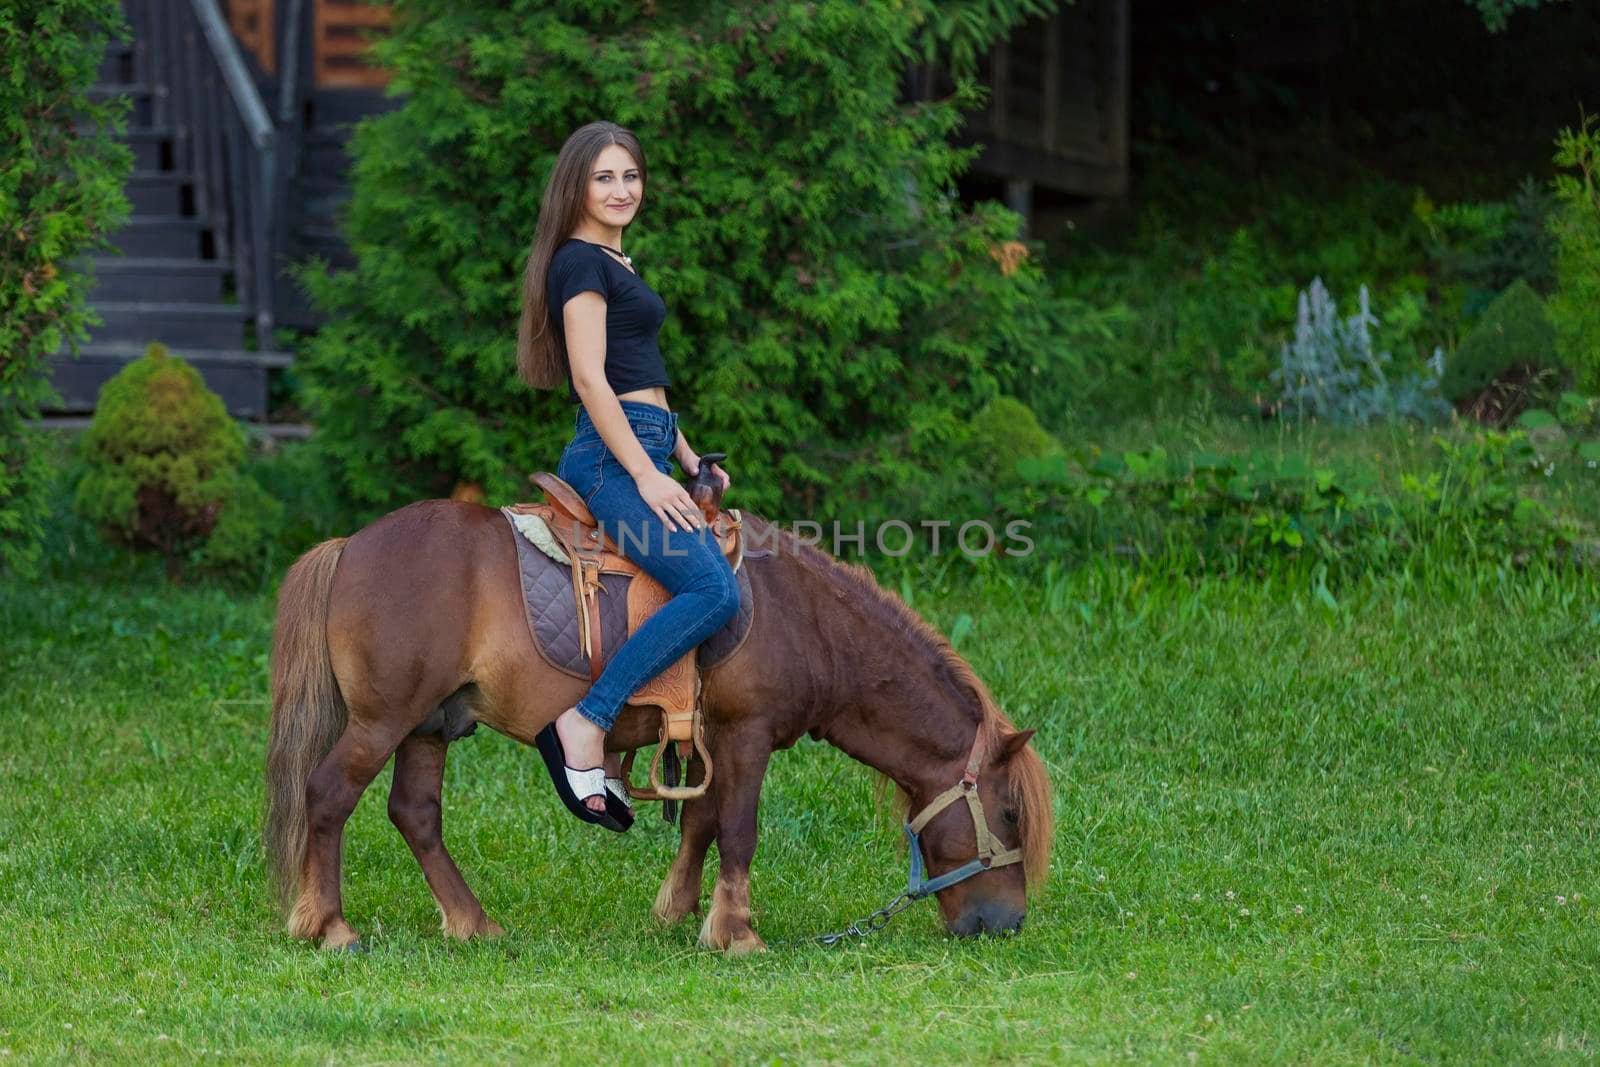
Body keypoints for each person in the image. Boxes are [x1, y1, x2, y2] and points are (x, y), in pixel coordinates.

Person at [515, 120, 741, 830]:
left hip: (644, 441)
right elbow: (589, 378)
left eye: (630, 176)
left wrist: (689, 459)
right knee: (713, 588)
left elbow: (642, 381)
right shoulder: (581, 262)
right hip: (610, 458)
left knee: (708, 579)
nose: (621, 190)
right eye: (604, 177)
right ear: (576, 187)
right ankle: (586, 722)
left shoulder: (619, 261)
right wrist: (646, 475)